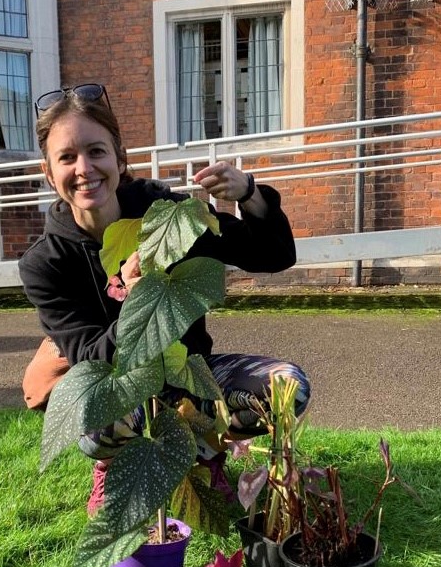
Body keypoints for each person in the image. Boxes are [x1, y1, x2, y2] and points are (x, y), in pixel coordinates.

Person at [18, 83, 310, 514]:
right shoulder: (45, 263)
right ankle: (113, 464)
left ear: (118, 159)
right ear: (49, 172)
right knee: (92, 417)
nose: (84, 168)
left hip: (191, 373)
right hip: (119, 391)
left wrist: (248, 193)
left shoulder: (165, 215)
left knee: (289, 387)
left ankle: (203, 453)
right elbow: (90, 362)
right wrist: (139, 305)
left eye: (96, 152)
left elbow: (274, 255)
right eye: (67, 157)